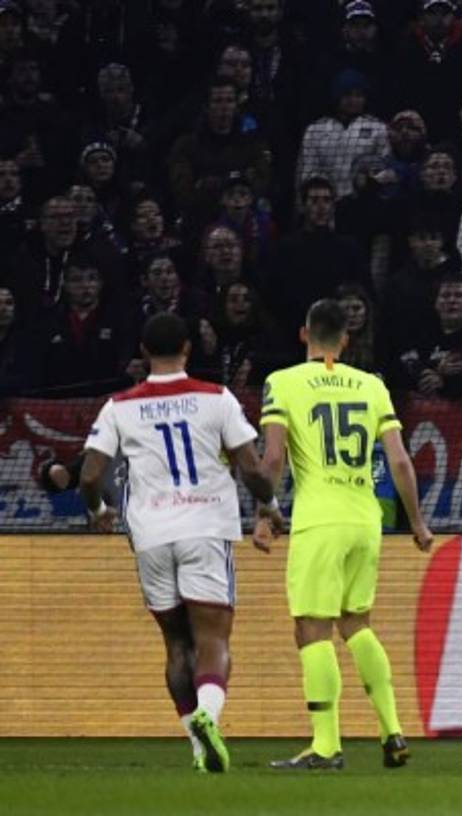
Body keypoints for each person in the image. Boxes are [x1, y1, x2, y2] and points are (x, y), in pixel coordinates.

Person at [78, 312, 280, 773]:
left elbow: (90, 475)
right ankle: (209, 716)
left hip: (151, 535)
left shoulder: (119, 406)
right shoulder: (217, 398)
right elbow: (251, 467)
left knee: (176, 643)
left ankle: (197, 747)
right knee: (212, 637)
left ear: (143, 352)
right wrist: (269, 505)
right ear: (188, 348)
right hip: (205, 526)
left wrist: (98, 510)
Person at [257, 298, 433, 770]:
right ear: (346, 339)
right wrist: (416, 522)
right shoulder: (372, 385)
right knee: (357, 624)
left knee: (311, 629)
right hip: (365, 520)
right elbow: (399, 460)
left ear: (304, 334)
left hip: (319, 520)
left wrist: (263, 514)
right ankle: (392, 730)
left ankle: (326, 746)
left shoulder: (283, 382)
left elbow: (272, 458)